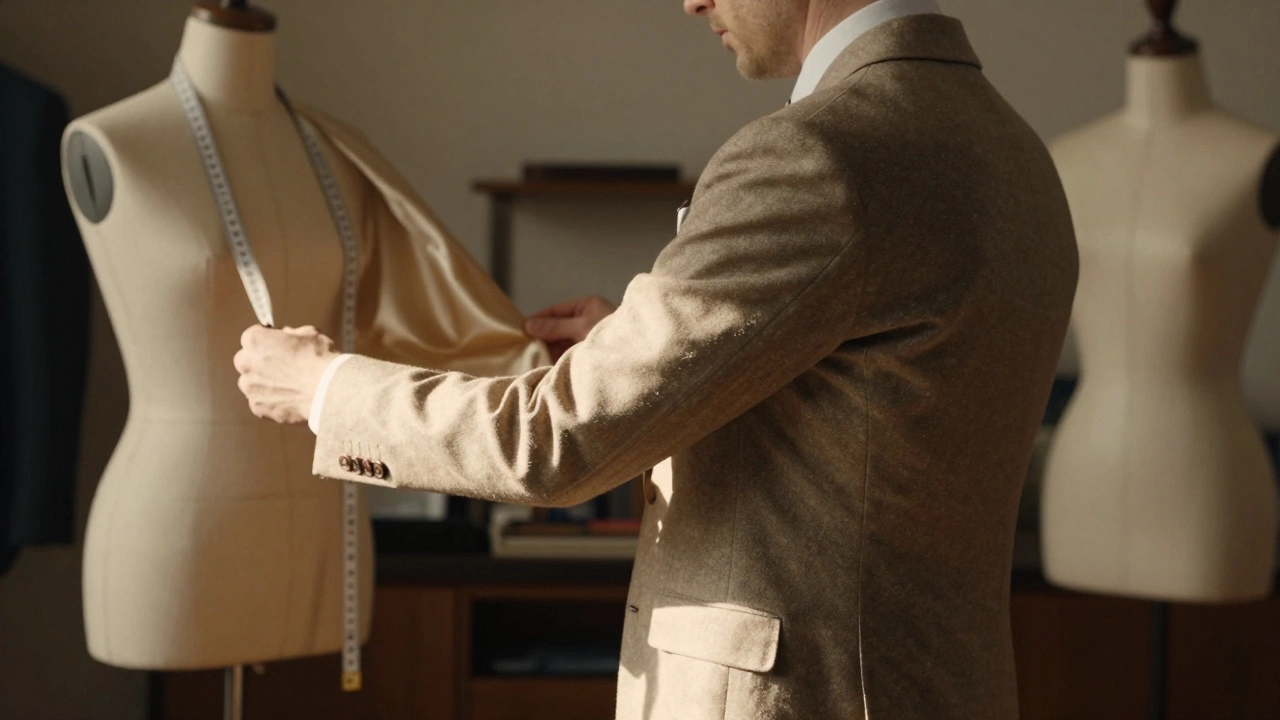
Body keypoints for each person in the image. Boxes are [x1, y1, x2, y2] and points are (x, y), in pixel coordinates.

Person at [234, 0, 1079, 716]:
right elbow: (881, 393)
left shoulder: (819, 154)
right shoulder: (1012, 152)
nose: (691, 0)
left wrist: (324, 388)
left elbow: (552, 441)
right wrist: (649, 345)